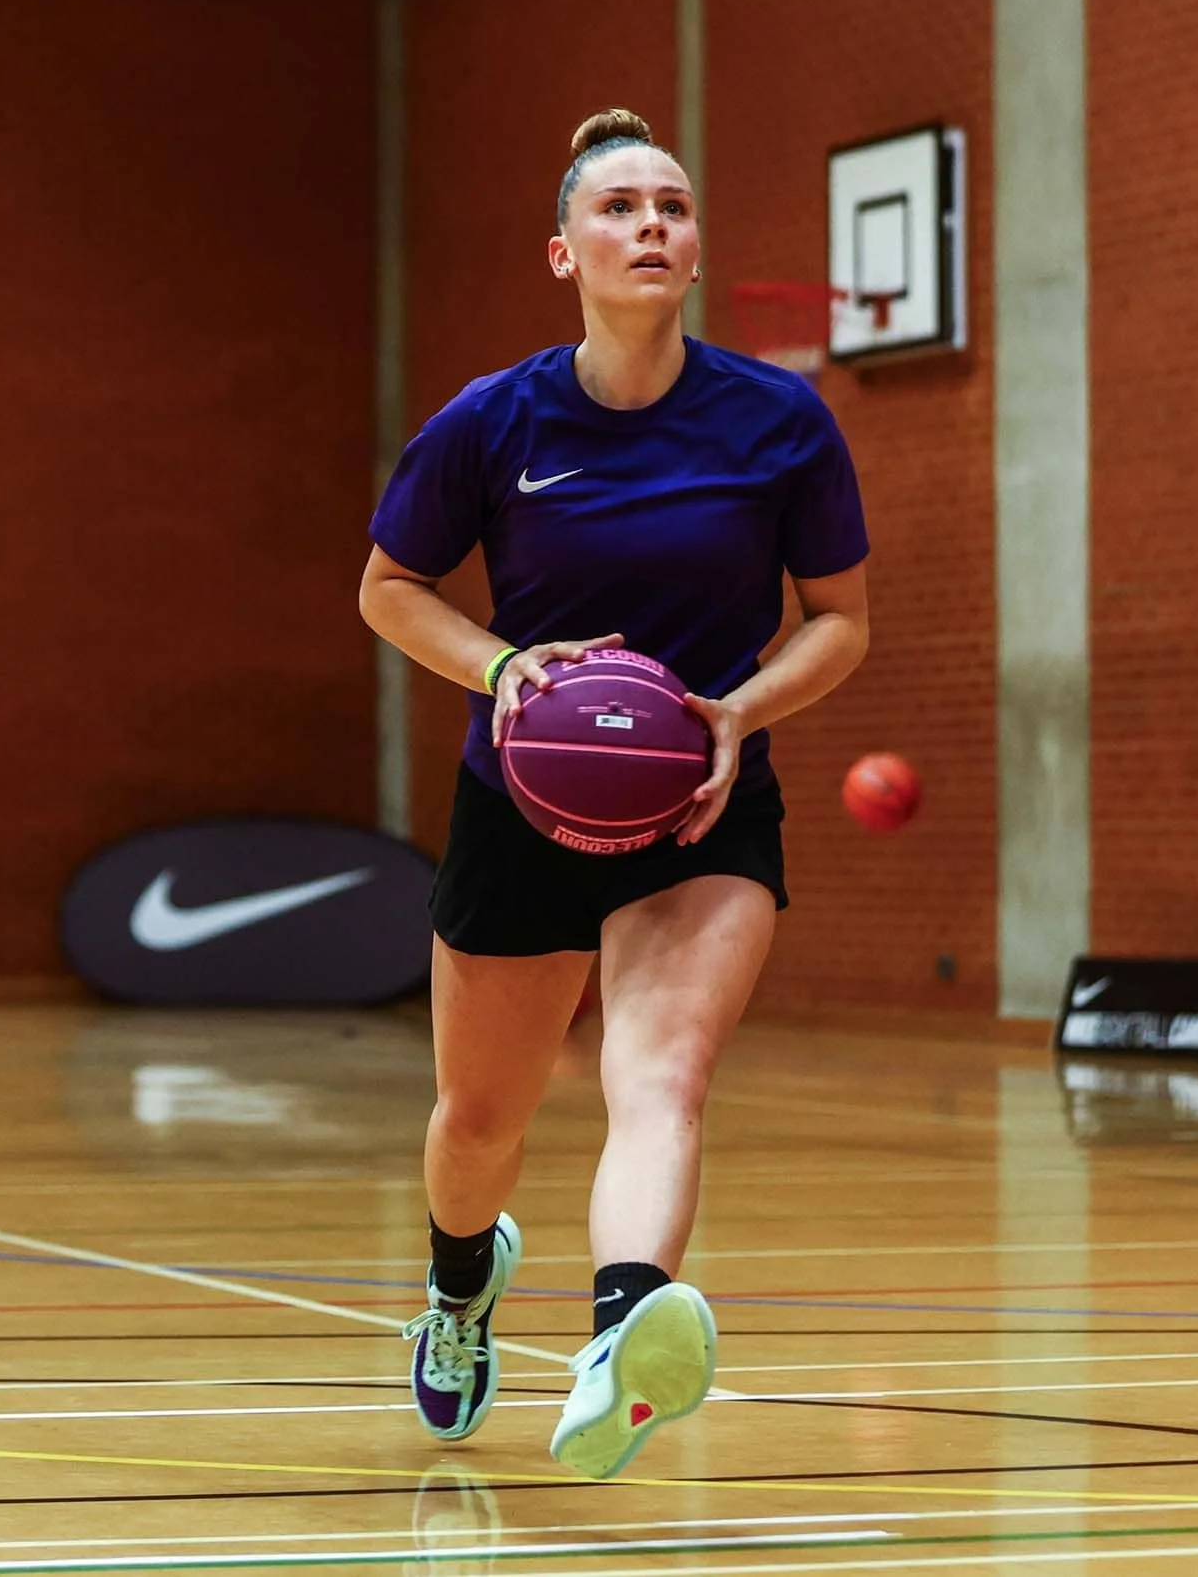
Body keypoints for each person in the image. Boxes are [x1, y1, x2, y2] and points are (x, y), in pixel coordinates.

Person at [359, 108, 871, 1479]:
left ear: (694, 248)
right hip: (519, 804)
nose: (653, 223)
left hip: (700, 800)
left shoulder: (779, 420)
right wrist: (508, 662)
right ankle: (462, 1284)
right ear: (564, 248)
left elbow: (840, 620)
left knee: (661, 1071)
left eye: (675, 206)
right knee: (481, 1120)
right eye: (622, 206)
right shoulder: (495, 419)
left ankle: (621, 1329)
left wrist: (739, 712)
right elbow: (389, 590)